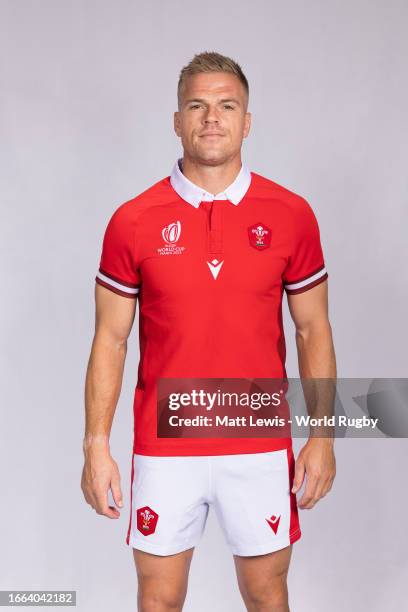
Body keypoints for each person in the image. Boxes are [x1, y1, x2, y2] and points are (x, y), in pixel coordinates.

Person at [81, 51, 336, 612]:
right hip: (166, 444)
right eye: (197, 105)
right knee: (158, 599)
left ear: (247, 121)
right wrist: (96, 447)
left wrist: (323, 437)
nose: (212, 117)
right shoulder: (134, 220)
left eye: (227, 105)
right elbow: (111, 341)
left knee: (267, 595)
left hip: (260, 442)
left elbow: (312, 329)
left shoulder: (292, 214)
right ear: (177, 119)